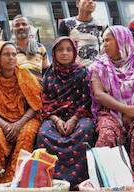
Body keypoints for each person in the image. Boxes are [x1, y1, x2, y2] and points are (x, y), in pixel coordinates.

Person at [90, 25, 134, 171]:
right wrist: (127, 110)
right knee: (106, 133)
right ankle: (104, 175)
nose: (104, 44)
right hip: (109, 112)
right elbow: (99, 94)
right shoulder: (99, 66)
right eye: (103, 41)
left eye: (108, 40)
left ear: (121, 41)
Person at [0, 41, 42, 184]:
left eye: (14, 54)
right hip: (0, 121)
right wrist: (6, 125)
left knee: (27, 134)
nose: (11, 58)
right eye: (6, 54)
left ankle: (14, 179)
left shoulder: (24, 75)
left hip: (26, 119)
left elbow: (36, 104)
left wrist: (19, 124)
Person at [36, 37, 94, 188]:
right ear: (54, 53)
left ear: (74, 52)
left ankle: (79, 181)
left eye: (68, 49)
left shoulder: (82, 72)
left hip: (79, 115)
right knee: (43, 133)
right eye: (60, 50)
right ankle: (51, 180)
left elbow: (87, 100)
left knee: (85, 130)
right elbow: (45, 101)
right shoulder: (49, 74)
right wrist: (56, 120)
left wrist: (74, 119)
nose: (64, 53)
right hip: (54, 116)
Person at [58, 0, 104, 66]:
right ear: (77, 3)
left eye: (94, 0)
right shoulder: (66, 23)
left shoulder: (101, 25)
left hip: (97, 70)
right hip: (74, 70)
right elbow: (60, 48)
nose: (91, 1)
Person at [11, 15, 50, 82]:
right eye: (17, 25)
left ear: (29, 28)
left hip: (37, 90)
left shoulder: (40, 48)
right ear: (12, 29)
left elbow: (46, 72)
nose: (21, 27)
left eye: (24, 24)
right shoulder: (8, 50)